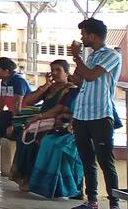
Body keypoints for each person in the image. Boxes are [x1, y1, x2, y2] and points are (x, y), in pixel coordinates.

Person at [67, 18, 124, 209]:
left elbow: (91, 76)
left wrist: (76, 58)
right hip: (82, 116)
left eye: (84, 34)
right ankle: (91, 200)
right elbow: (83, 81)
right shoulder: (90, 57)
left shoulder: (111, 55)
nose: (82, 38)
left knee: (105, 161)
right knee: (87, 159)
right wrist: (74, 77)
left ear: (92, 35)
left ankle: (115, 204)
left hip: (100, 116)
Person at [9, 60, 77, 189]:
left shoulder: (69, 89)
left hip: (56, 121)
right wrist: (45, 86)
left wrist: (39, 117)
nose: (55, 73)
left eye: (58, 70)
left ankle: (31, 178)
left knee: (34, 140)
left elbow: (60, 109)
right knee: (22, 137)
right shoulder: (50, 88)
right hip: (41, 121)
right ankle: (24, 176)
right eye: (53, 70)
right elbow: (29, 101)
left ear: (66, 72)